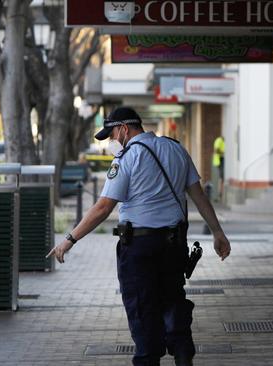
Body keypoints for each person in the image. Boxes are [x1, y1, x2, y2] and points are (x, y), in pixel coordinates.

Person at [47, 106, 231, 366]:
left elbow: (103, 207)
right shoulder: (176, 149)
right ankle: (182, 355)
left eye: (112, 134)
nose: (112, 141)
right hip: (173, 245)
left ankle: (148, 359)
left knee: (142, 309)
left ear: (124, 128)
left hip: (139, 248)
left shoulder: (127, 157)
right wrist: (218, 232)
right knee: (173, 300)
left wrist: (70, 239)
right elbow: (198, 196)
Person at [212, 136, 225, 200]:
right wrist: (224, 153)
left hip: (219, 161)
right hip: (219, 161)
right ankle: (218, 194)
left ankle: (219, 194)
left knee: (221, 178)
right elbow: (216, 150)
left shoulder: (220, 141)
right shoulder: (219, 140)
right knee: (220, 178)